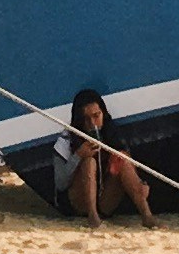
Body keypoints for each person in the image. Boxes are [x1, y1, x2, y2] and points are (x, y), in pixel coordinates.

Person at [52, 85, 154, 223]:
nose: (92, 124)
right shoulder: (66, 140)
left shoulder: (111, 133)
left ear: (103, 113)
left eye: (96, 116)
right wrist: (78, 156)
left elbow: (127, 163)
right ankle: (92, 216)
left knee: (121, 158)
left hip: (106, 200)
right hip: (79, 203)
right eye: (86, 119)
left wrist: (138, 184)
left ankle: (147, 216)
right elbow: (60, 183)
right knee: (89, 162)